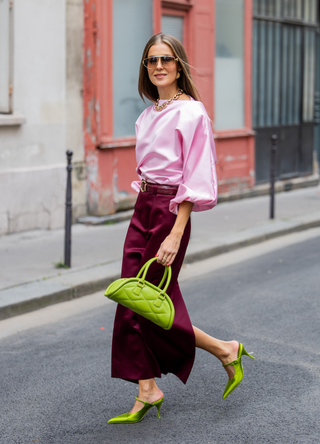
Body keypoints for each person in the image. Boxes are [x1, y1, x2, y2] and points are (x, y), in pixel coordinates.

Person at [108, 33, 254, 424]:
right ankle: (148, 388)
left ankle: (225, 349)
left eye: (166, 60)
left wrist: (176, 231)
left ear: (178, 65)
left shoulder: (192, 113)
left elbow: (195, 175)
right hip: (144, 207)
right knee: (131, 298)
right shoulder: (148, 113)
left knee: (153, 300)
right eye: (151, 60)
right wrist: (143, 202)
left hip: (171, 211)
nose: (158, 66)